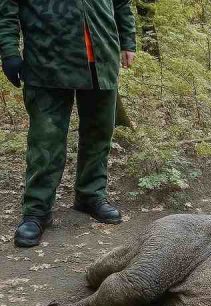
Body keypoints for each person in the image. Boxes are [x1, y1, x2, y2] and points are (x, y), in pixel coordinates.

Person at [0, 0, 136, 248]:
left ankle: (90, 195)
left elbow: (121, 3)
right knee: (46, 140)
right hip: (47, 61)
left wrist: (128, 41)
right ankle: (37, 210)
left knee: (99, 133)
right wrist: (9, 52)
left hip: (102, 56)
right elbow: (7, 7)